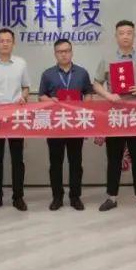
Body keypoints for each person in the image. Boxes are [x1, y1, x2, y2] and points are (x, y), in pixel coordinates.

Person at [94, 19, 136, 212]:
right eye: (121, 33)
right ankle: (111, 197)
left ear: (134, 35)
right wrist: (108, 95)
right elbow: (96, 83)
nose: (125, 36)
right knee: (114, 158)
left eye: (129, 33)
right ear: (116, 36)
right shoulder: (107, 59)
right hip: (115, 116)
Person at [38, 38, 94, 211]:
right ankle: (57, 197)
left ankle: (75, 197)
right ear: (55, 54)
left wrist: (85, 106)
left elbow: (88, 93)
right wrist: (51, 100)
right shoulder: (47, 74)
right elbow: (41, 96)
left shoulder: (82, 73)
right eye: (60, 51)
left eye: (67, 51)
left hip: (75, 124)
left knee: (76, 162)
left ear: (71, 52)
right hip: (55, 124)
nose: (64, 54)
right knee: (55, 163)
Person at [0, 28, 30, 211]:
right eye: (1, 40)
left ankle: (18, 197)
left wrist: (24, 97)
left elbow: (26, 87)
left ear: (13, 43)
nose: (5, 44)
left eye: (8, 40)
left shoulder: (21, 63)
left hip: (15, 115)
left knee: (17, 158)